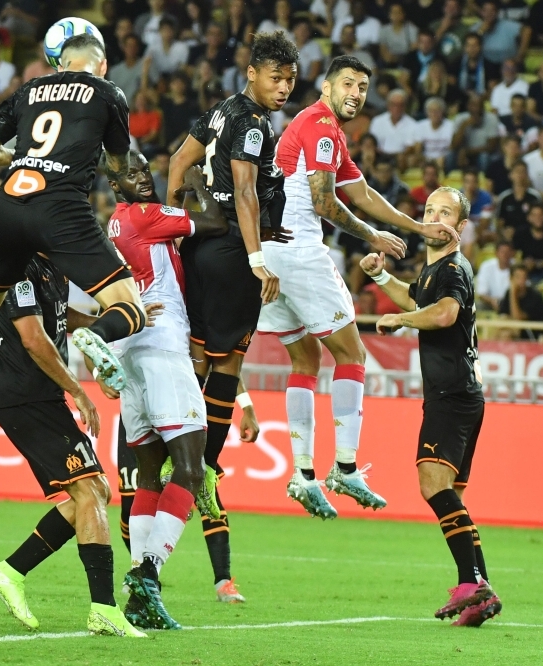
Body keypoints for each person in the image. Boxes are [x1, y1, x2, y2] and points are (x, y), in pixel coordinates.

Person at [261, 55, 458, 519]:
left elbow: (363, 192)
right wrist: (373, 236)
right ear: (326, 86)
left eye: (363, 86)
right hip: (301, 252)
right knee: (353, 356)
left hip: (271, 256)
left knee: (305, 359)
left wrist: (413, 226)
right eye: (348, 83)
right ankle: (345, 467)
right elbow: (325, 201)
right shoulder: (322, 128)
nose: (356, 92)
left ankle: (303, 472)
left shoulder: (317, 127)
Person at [0, 33, 146, 435]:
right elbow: (119, 163)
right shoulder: (107, 92)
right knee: (130, 308)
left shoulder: (30, 89)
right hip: (59, 208)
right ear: (101, 65)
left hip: (8, 204)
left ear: (61, 63)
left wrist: (24, 158)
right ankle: (96, 339)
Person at [166, 32, 297, 533]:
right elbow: (244, 189)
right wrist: (257, 256)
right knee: (228, 360)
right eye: (275, 77)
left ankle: (174, 450)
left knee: (197, 353)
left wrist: (177, 225)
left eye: (289, 79)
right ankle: (206, 465)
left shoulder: (222, 110)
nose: (283, 87)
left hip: (203, 242)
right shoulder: (254, 124)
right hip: (234, 253)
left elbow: (180, 163)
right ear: (252, 72)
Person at [0, 249, 144, 638]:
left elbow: (59, 316)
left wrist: (113, 323)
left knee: (95, 492)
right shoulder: (18, 266)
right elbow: (34, 338)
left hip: (39, 397)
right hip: (23, 396)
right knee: (90, 492)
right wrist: (78, 392)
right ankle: (104, 609)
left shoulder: (52, 267)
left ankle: (9, 573)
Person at [103, 153, 235, 627]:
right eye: (132, 175)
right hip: (162, 350)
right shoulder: (147, 215)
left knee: (148, 473)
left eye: (145, 172)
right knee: (192, 468)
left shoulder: (114, 225)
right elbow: (216, 222)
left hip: (129, 354)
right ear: (116, 187)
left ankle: (138, 592)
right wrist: (198, 182)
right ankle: (148, 574)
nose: (143, 179)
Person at [361, 186, 501, 627]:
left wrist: (401, 320)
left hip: (452, 396)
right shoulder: (434, 269)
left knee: (432, 484)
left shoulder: (453, 269)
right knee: (451, 494)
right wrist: (383, 280)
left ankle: (471, 583)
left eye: (446, 213)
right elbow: (419, 298)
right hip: (460, 395)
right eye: (429, 210)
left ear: (460, 228)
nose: (435, 218)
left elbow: (443, 314)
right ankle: (477, 589)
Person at [495, 160, 542, 236]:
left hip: (530, 236)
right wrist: (504, 232)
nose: (520, 175)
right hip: (510, 237)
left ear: (527, 175)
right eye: (517, 172)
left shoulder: (534, 197)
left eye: (523, 172)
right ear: (510, 175)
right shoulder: (504, 198)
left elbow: (540, 220)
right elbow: (500, 222)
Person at [476, 240, 513, 310]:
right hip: (490, 302)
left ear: (512, 254)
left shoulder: (516, 267)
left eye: (508, 252)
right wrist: (492, 301)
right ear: (496, 253)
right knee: (475, 306)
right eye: (502, 252)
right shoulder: (486, 266)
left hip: (511, 303)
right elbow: (481, 293)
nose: (505, 255)